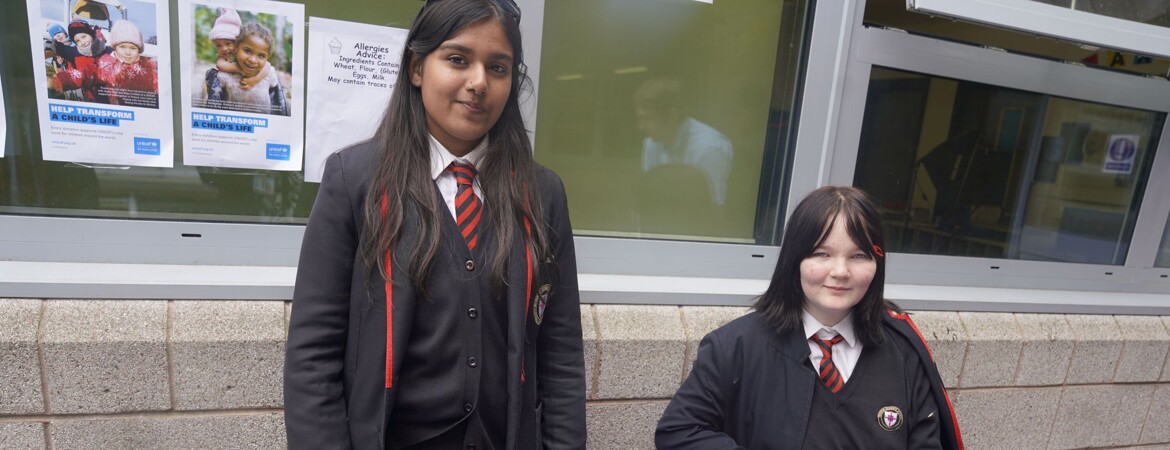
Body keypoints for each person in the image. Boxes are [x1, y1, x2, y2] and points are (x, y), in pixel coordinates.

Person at [284, 0, 586, 449]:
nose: (479, 82)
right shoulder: (356, 180)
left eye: (498, 67)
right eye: (458, 59)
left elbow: (560, 356)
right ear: (417, 68)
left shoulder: (541, 194)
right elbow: (313, 353)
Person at [655, 186, 963, 449]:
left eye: (858, 256)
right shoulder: (736, 345)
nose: (840, 272)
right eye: (821, 254)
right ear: (794, 259)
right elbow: (679, 431)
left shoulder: (904, 351)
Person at [636, 78, 732, 206]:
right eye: (640, 119)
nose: (641, 127)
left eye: (648, 118)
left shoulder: (709, 148)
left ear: (673, 116)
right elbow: (649, 195)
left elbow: (713, 210)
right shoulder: (652, 143)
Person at [201, 23, 288, 116]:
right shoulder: (227, 74)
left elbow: (269, 68)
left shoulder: (269, 74)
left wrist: (255, 80)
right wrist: (239, 70)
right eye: (247, 51)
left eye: (261, 56)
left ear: (267, 57)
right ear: (236, 48)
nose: (252, 60)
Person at [208, 8, 275, 91]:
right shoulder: (225, 57)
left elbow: (267, 66)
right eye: (218, 46)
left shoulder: (241, 53)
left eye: (228, 44)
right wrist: (239, 69)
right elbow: (219, 64)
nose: (224, 49)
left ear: (237, 43)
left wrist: (255, 80)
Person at [54, 20, 113, 104]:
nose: (82, 42)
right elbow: (57, 47)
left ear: (91, 34)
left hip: (112, 98)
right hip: (91, 99)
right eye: (77, 41)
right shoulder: (74, 52)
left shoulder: (108, 50)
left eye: (84, 36)